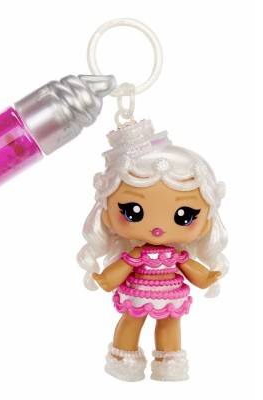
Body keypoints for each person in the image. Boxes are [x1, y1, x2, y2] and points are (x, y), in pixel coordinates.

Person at [77, 120, 228, 381]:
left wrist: (206, 276)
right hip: (137, 291)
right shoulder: (138, 255)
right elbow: (123, 266)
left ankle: (169, 362)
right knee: (131, 321)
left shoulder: (175, 256)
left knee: (170, 324)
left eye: (184, 216)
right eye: (132, 211)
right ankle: (124, 357)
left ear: (206, 223)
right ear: (108, 216)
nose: (158, 229)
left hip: (170, 295)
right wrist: (106, 278)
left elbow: (190, 268)